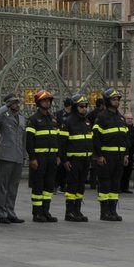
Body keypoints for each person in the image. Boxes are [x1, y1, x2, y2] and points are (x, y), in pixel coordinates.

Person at [91, 89, 130, 222]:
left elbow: (125, 138)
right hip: (107, 156)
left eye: (118, 99)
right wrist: (99, 156)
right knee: (105, 183)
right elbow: (96, 138)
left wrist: (126, 154)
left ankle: (113, 210)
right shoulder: (101, 117)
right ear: (108, 101)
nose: (117, 101)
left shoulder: (120, 117)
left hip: (119, 156)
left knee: (115, 183)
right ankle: (104, 212)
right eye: (114, 99)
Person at [24, 90, 62, 223]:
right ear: (39, 103)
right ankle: (37, 213)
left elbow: (57, 139)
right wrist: (32, 158)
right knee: (38, 186)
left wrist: (58, 155)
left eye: (49, 100)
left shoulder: (53, 119)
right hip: (39, 158)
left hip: (51, 157)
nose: (47, 102)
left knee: (49, 185)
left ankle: (46, 211)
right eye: (44, 100)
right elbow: (29, 141)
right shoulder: (33, 119)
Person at [0, 93, 27, 224]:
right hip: (6, 156)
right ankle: (2, 213)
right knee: (3, 186)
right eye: (15, 103)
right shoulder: (4, 116)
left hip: (17, 156)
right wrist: (6, 106)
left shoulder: (21, 118)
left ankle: (11, 211)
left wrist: (24, 154)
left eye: (18, 103)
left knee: (13, 187)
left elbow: (23, 138)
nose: (18, 105)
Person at [60, 93, 93, 222]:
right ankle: (69, 212)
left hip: (85, 160)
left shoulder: (87, 121)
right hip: (73, 161)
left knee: (81, 186)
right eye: (81, 106)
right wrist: (64, 160)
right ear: (75, 107)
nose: (84, 108)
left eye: (85, 106)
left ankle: (77, 210)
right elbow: (62, 143)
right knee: (72, 186)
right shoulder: (67, 122)